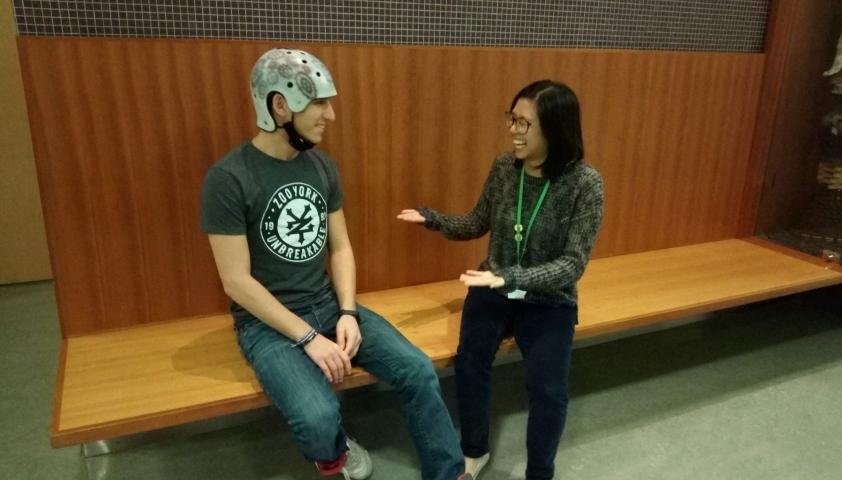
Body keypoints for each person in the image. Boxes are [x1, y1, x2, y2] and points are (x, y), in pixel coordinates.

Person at [201, 48, 467, 480]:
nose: (331, 115)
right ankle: (336, 452)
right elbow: (236, 282)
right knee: (318, 418)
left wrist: (347, 311)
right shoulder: (228, 179)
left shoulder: (322, 166)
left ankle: (449, 472)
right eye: (319, 103)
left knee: (417, 370)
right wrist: (308, 337)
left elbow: (340, 249)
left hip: (328, 304)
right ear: (280, 105)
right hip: (266, 325)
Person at [398, 80, 604, 480]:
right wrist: (435, 220)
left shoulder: (585, 184)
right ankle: (474, 449)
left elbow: (572, 265)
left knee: (548, 390)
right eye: (512, 119)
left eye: (525, 123)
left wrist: (509, 277)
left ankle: (540, 471)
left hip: (549, 299)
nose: (514, 130)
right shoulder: (504, 169)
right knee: (470, 359)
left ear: (555, 128)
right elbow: (478, 221)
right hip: (493, 288)